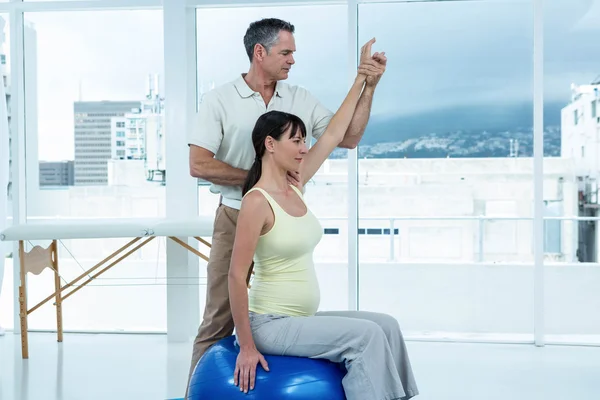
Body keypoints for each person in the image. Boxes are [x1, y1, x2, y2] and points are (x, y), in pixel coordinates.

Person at [186, 17, 387, 392]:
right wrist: (262, 180)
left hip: (281, 212)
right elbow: (199, 163)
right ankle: (196, 393)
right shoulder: (219, 100)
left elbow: (346, 135)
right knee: (217, 320)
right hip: (237, 211)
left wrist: (366, 83)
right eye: (286, 52)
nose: (293, 59)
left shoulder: (299, 99)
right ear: (259, 53)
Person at [227, 57, 418, 399]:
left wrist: (362, 79)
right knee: (366, 336)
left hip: (301, 317)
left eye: (303, 141)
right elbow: (236, 276)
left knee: (385, 324)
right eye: (296, 141)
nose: (304, 148)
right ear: (270, 145)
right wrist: (246, 345)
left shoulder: (295, 184)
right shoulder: (257, 201)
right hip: (270, 324)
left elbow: (333, 133)